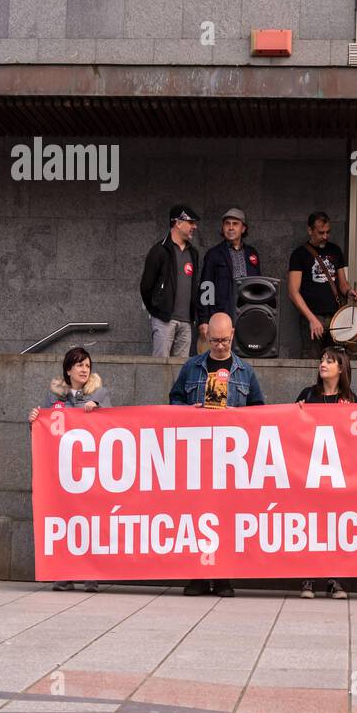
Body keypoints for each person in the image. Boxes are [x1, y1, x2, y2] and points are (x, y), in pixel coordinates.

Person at [168, 313, 266, 597]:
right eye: (214, 341)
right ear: (206, 337)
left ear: (233, 334)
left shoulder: (245, 372)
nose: (221, 346)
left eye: (224, 340)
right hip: (197, 456)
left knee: (226, 519)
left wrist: (240, 416)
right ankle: (198, 576)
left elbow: (260, 410)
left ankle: (223, 577)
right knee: (196, 516)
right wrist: (190, 410)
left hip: (230, 458)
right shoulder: (191, 367)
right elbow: (173, 399)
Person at [28, 346, 111, 593]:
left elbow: (113, 424)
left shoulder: (100, 393)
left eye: (87, 365)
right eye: (79, 365)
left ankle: (90, 575)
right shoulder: (54, 398)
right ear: (68, 370)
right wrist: (35, 420)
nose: (84, 369)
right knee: (65, 521)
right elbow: (43, 434)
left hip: (90, 471)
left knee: (89, 522)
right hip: (63, 472)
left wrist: (97, 408)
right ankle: (64, 574)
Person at [294, 347, 357, 601]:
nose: (323, 364)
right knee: (311, 525)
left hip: (339, 474)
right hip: (310, 471)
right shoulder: (308, 394)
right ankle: (308, 577)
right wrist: (296, 412)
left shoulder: (350, 398)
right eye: (322, 360)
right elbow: (290, 429)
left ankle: (335, 579)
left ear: (341, 369)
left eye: (330, 361)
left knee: (335, 527)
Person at [288, 212, 357, 361]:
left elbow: (342, 284)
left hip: (335, 317)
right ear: (310, 230)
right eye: (321, 232)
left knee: (338, 362)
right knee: (311, 362)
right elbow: (293, 292)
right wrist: (311, 319)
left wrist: (349, 292)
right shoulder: (299, 254)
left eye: (328, 232)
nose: (325, 236)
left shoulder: (335, 250)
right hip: (312, 316)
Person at [140, 204, 201, 357]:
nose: (195, 226)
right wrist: (157, 309)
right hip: (164, 320)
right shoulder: (159, 250)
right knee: (159, 369)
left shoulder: (193, 253)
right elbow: (146, 286)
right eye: (191, 222)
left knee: (182, 371)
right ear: (178, 223)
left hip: (186, 322)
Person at [198, 207, 262, 337]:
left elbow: (259, 286)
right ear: (223, 228)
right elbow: (206, 287)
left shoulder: (252, 253)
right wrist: (204, 320)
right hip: (221, 316)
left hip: (247, 315)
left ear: (243, 229)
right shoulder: (214, 254)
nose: (231, 227)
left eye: (235, 224)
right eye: (227, 224)